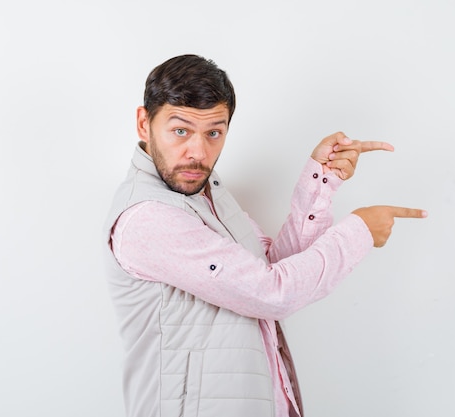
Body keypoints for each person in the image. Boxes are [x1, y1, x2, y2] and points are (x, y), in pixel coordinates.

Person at [103, 54, 427, 417]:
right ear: (144, 124)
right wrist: (360, 232)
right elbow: (273, 293)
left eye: (214, 133)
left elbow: (271, 267)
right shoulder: (149, 217)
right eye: (181, 131)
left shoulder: (204, 193)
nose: (198, 153)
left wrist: (321, 179)